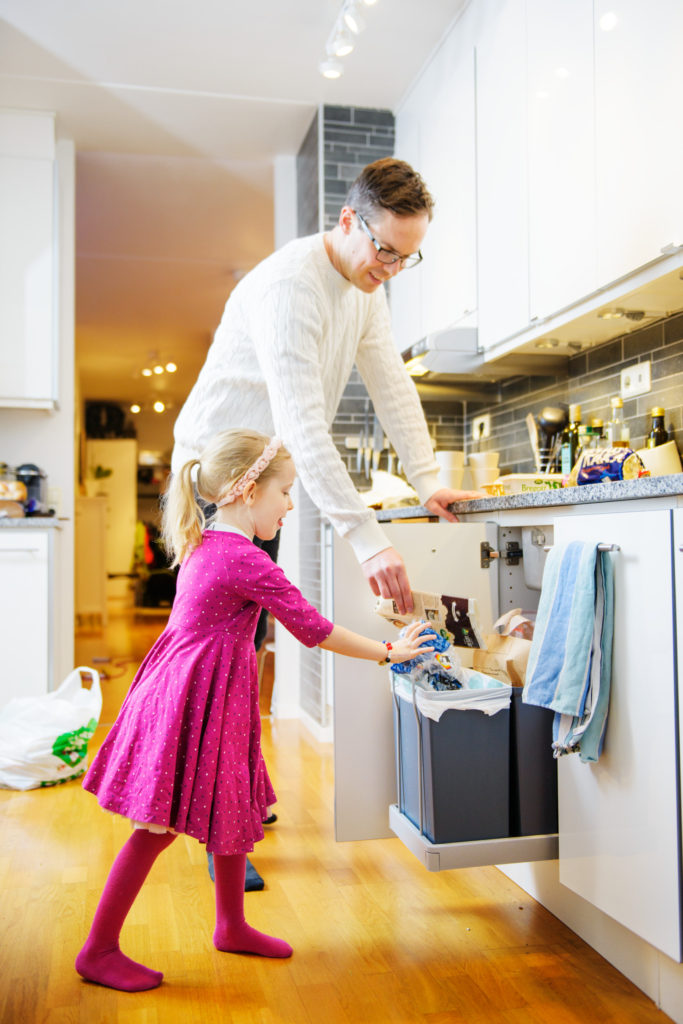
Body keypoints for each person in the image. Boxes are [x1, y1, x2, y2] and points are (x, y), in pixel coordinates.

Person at [75, 430, 435, 993]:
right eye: (285, 492)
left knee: (230, 799)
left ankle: (231, 924)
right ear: (247, 490)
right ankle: (98, 950)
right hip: (192, 701)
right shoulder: (243, 558)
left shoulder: (208, 540)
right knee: (155, 829)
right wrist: (390, 652)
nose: (290, 504)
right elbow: (313, 629)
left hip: (201, 695)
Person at [172, 157, 480, 619]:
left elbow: (391, 385)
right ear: (348, 220)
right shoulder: (291, 286)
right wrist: (366, 538)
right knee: (212, 640)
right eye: (385, 250)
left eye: (405, 257)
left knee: (246, 637)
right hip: (214, 479)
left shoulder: (366, 288)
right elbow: (302, 428)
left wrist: (427, 481)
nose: (393, 268)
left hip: (260, 475)